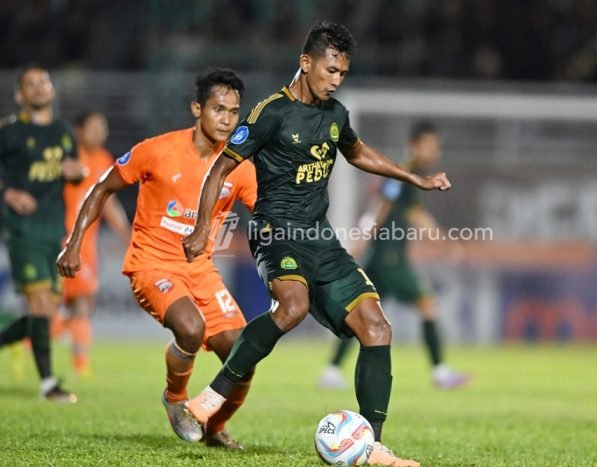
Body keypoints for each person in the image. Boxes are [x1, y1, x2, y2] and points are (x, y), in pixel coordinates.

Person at [182, 21, 451, 467]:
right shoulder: (271, 112)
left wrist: (412, 177)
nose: (336, 80)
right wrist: (200, 227)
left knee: (377, 326)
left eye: (343, 73)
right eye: (330, 70)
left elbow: (358, 152)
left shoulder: (336, 115)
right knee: (292, 306)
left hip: (319, 237)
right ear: (306, 63)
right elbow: (219, 169)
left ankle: (372, 445)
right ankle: (213, 396)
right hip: (274, 230)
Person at [56, 67, 257, 448]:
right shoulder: (158, 150)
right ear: (197, 108)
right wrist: (74, 242)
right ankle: (176, 399)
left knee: (243, 355)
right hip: (151, 266)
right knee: (191, 328)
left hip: (202, 272)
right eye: (218, 109)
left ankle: (214, 429)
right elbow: (101, 188)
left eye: (233, 112)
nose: (226, 119)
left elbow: (265, 213)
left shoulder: (239, 167)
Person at [318, 120, 470, 390]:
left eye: (437, 146)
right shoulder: (404, 173)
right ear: (414, 145)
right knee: (426, 304)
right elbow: (383, 207)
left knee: (364, 313)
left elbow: (407, 212)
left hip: (384, 255)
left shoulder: (407, 174)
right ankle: (441, 372)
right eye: (430, 145)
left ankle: (331, 370)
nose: (435, 151)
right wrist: (362, 241)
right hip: (389, 258)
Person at [0, 63, 84, 403]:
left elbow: (75, 173)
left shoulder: (64, 132)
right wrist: (7, 193)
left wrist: (77, 172)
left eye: (43, 82)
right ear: (20, 94)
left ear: (51, 89)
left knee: (45, 312)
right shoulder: (8, 132)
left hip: (53, 230)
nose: (38, 87)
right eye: (30, 84)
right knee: (38, 303)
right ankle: (49, 385)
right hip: (23, 230)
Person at [52, 111, 131, 377]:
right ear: (79, 131)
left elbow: (108, 201)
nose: (100, 132)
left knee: (81, 304)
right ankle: (34, 341)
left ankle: (75, 361)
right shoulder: (65, 157)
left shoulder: (104, 160)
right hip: (63, 241)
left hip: (88, 243)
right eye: (93, 127)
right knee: (61, 303)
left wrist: (126, 236)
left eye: (103, 127)